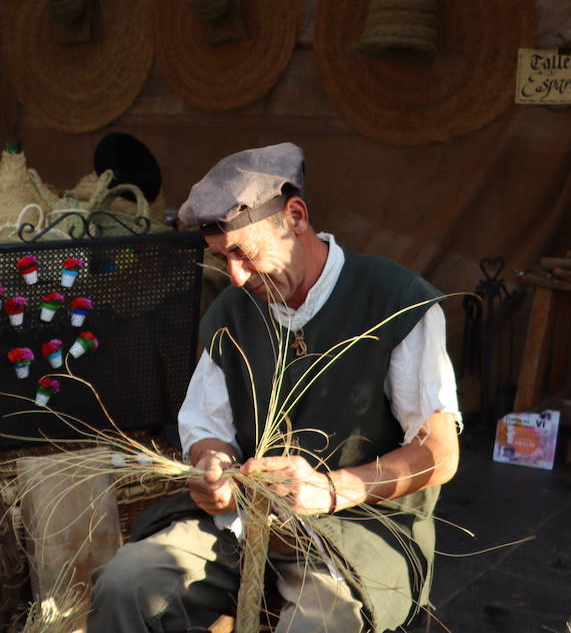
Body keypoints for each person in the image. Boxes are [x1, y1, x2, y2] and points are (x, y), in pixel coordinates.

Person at [88, 143, 461, 633]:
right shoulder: (228, 315)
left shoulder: (396, 302)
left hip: (356, 529)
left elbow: (439, 453)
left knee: (320, 622)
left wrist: (330, 491)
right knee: (126, 585)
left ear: (295, 217)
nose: (237, 278)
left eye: (243, 252)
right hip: (243, 524)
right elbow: (207, 428)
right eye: (223, 259)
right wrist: (212, 466)